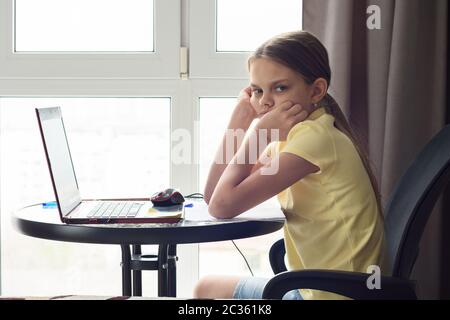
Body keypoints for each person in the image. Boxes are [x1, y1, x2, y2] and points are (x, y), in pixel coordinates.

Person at [194, 31, 387, 300]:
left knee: (206, 292)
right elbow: (213, 195)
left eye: (280, 88)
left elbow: (221, 206)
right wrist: (239, 121)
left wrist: (258, 133)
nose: (265, 102)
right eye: (258, 91)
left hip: (333, 294)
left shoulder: (314, 139)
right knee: (206, 288)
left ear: (316, 90)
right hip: (311, 288)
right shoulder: (291, 138)